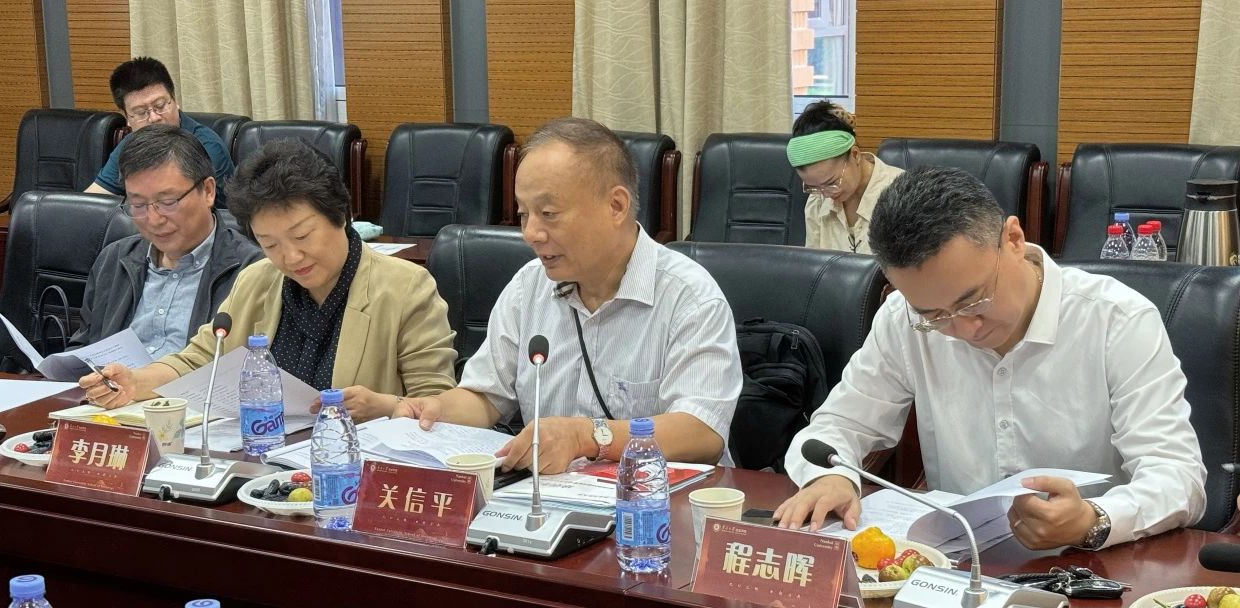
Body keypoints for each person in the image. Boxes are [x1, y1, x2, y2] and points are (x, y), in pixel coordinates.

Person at [776, 166, 1205, 551]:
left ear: (1013, 240)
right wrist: (831, 476)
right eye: (935, 316)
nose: (965, 329)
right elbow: (839, 426)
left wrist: (1094, 520)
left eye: (974, 301)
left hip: (1092, 567)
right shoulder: (902, 319)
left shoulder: (1117, 320)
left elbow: (1177, 475)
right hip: (958, 565)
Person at [391, 117, 742, 474]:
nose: (531, 233)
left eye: (548, 214)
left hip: (656, 499)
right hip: (549, 496)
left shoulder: (689, 298)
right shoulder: (528, 287)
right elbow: (485, 396)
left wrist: (585, 436)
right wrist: (436, 410)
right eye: (524, 214)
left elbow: (702, 432)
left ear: (616, 206)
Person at [79, 139, 458, 422]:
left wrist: (386, 406)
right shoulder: (258, 280)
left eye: (302, 236)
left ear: (342, 215)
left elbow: (437, 404)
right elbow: (200, 359)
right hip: (263, 463)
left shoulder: (406, 287)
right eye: (270, 243)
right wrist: (135, 382)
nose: (290, 257)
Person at [70, 124, 261, 358]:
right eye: (138, 205)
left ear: (208, 191)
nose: (154, 219)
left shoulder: (252, 269)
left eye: (168, 202)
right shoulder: (114, 259)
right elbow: (84, 347)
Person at [85, 57, 234, 207]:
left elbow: (189, 211)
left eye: (160, 105)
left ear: (175, 100)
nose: (154, 118)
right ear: (127, 117)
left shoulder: (206, 146)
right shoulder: (131, 144)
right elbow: (92, 202)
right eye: (141, 112)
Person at [788, 101, 903, 254]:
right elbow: (813, 264)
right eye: (813, 187)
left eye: (831, 182)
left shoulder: (904, 195)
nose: (825, 194)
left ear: (855, 155)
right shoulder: (817, 201)